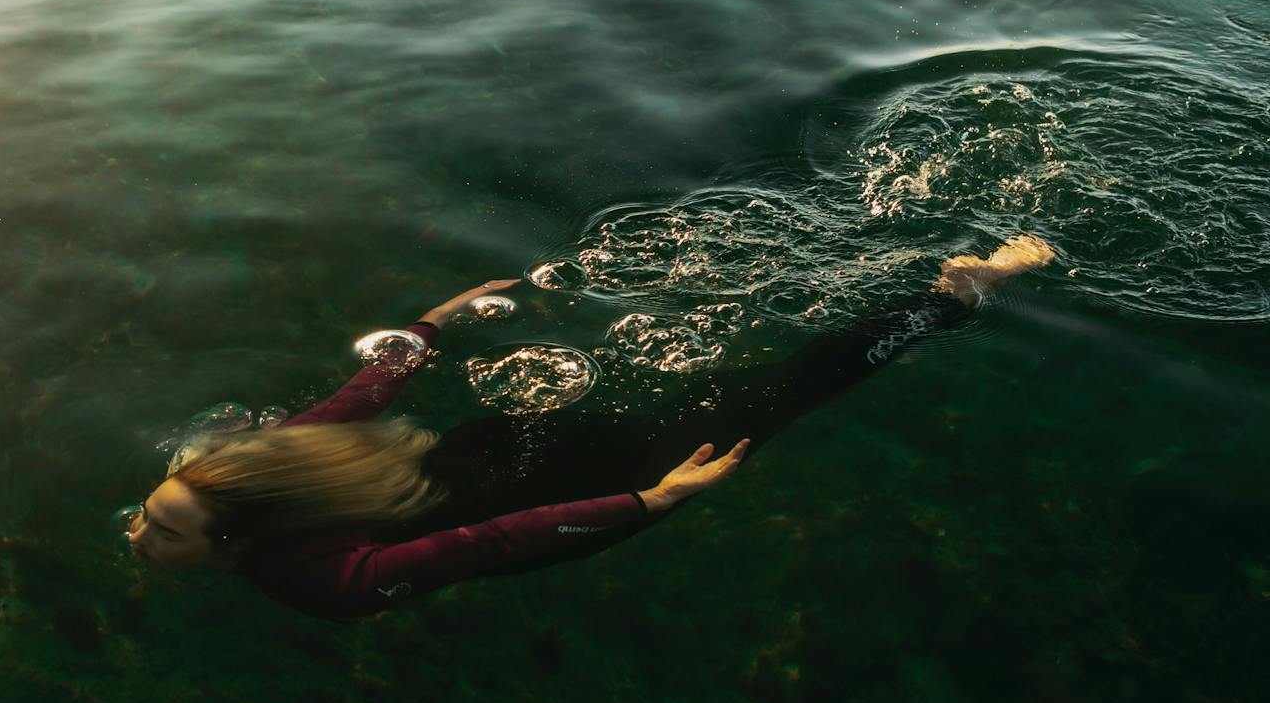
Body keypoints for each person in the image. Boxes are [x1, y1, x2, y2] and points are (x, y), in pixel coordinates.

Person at [126, 235, 1056, 620]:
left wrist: (650, 503)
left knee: (782, 393)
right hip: (500, 445)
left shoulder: (317, 582)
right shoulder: (255, 485)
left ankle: (954, 298)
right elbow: (352, 403)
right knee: (726, 385)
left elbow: (487, 542)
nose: (138, 531)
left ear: (233, 537)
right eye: (153, 523)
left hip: (568, 485)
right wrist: (430, 330)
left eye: (158, 523)